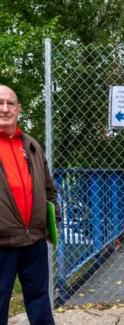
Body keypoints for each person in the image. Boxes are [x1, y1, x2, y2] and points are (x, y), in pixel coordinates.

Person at [0, 85, 60, 325]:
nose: (4, 109)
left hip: (33, 240)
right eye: (0, 103)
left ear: (18, 109)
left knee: (40, 302)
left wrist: (54, 218)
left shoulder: (31, 145)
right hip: (2, 242)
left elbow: (48, 188)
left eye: (10, 103)